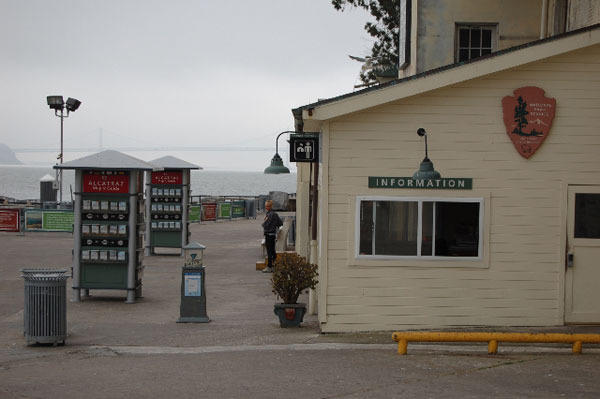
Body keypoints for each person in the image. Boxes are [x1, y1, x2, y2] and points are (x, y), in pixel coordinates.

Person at [262, 199, 283, 273]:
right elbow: (280, 223)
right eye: (266, 206)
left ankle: (270, 266)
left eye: (267, 206)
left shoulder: (270, 214)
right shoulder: (275, 214)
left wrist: (264, 221)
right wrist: (274, 225)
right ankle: (274, 265)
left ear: (270, 206)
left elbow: (265, 225)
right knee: (273, 251)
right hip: (273, 234)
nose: (266, 207)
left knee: (269, 251)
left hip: (269, 234)